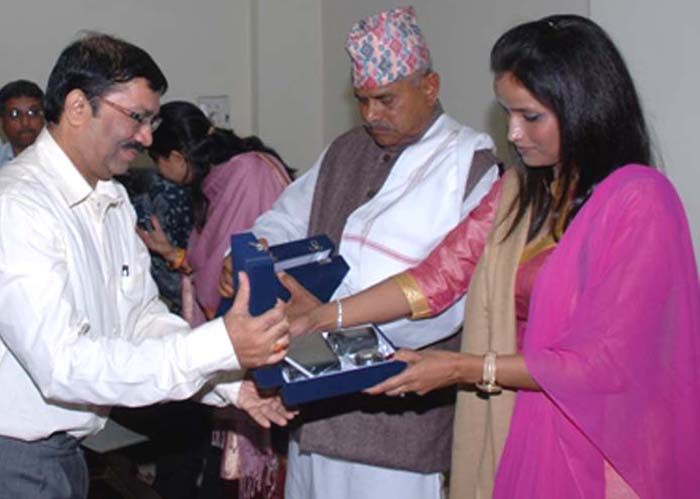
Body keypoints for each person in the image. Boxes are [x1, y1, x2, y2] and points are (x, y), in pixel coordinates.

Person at [291, 14, 700, 499]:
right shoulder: (518, 193)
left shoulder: (640, 201)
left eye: (531, 117)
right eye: (507, 114)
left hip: (601, 441)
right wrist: (325, 317)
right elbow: (438, 276)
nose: (514, 133)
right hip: (523, 416)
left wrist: (464, 368)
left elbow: (607, 364)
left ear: (585, 108)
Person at [221, 6, 500, 499]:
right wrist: (251, 257)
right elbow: (287, 216)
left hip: (397, 418)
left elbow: (453, 302)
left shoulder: (470, 165)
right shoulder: (345, 149)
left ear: (429, 87)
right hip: (314, 404)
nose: (372, 114)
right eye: (363, 100)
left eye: (386, 99)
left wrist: (333, 318)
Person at [0, 33, 293, 498]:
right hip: (16, 456)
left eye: (151, 120)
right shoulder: (17, 206)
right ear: (78, 107)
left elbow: (140, 318)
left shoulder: (112, 199)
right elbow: (63, 364)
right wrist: (218, 344)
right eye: (137, 117)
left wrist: (228, 383)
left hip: (67, 452)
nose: (147, 137)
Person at [139, 100, 294, 498]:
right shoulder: (220, 178)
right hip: (241, 339)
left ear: (176, 157)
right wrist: (172, 253)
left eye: (157, 160)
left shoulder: (246, 176)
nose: (158, 171)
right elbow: (209, 263)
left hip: (264, 332)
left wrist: (186, 265)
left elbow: (223, 277)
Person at [0, 79, 45, 165]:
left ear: (44, 118)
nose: (25, 122)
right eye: (15, 114)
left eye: (33, 112)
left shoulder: (61, 157)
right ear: (2, 121)